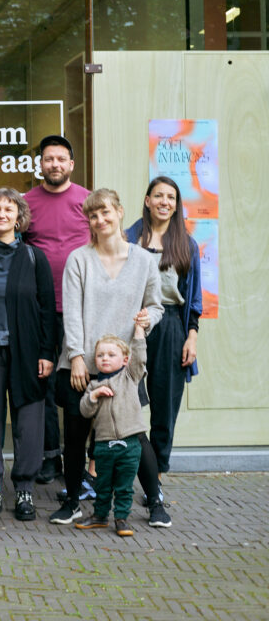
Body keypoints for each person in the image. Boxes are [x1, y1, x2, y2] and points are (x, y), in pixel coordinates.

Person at [50, 188, 169, 529]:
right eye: (92, 215)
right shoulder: (79, 259)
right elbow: (71, 312)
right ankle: (72, 501)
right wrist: (75, 357)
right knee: (75, 434)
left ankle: (156, 502)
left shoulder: (145, 260)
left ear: (119, 211)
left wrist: (148, 320)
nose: (99, 220)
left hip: (125, 369)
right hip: (82, 365)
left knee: (134, 434)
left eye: (105, 213)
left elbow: (156, 305)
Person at [0, 189, 56, 523]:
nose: (2, 214)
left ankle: (24, 491)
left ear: (19, 217)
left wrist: (48, 352)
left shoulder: (35, 258)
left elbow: (48, 309)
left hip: (29, 353)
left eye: (9, 209)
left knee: (29, 424)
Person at [22, 135, 91, 485]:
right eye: (48, 159)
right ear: (40, 164)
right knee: (44, 384)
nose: (55, 165)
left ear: (71, 164)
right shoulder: (26, 202)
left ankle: (82, 460)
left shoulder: (88, 201)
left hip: (83, 308)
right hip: (41, 311)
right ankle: (50, 458)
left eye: (61, 159)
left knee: (82, 384)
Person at [125, 176, 202, 477]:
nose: (164, 202)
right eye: (158, 196)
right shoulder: (129, 239)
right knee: (125, 399)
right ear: (147, 200)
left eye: (171, 198)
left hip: (170, 326)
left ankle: (156, 475)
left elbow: (193, 299)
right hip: (133, 325)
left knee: (164, 405)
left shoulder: (187, 244)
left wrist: (191, 338)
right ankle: (122, 470)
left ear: (176, 205)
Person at [74, 320, 150, 537]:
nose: (105, 358)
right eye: (100, 355)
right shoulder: (94, 385)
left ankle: (121, 518)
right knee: (103, 484)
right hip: (104, 445)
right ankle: (99, 516)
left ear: (125, 360)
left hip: (130, 444)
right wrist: (93, 396)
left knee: (125, 486)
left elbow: (140, 358)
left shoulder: (130, 376)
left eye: (110, 354)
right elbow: (84, 410)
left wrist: (138, 332)